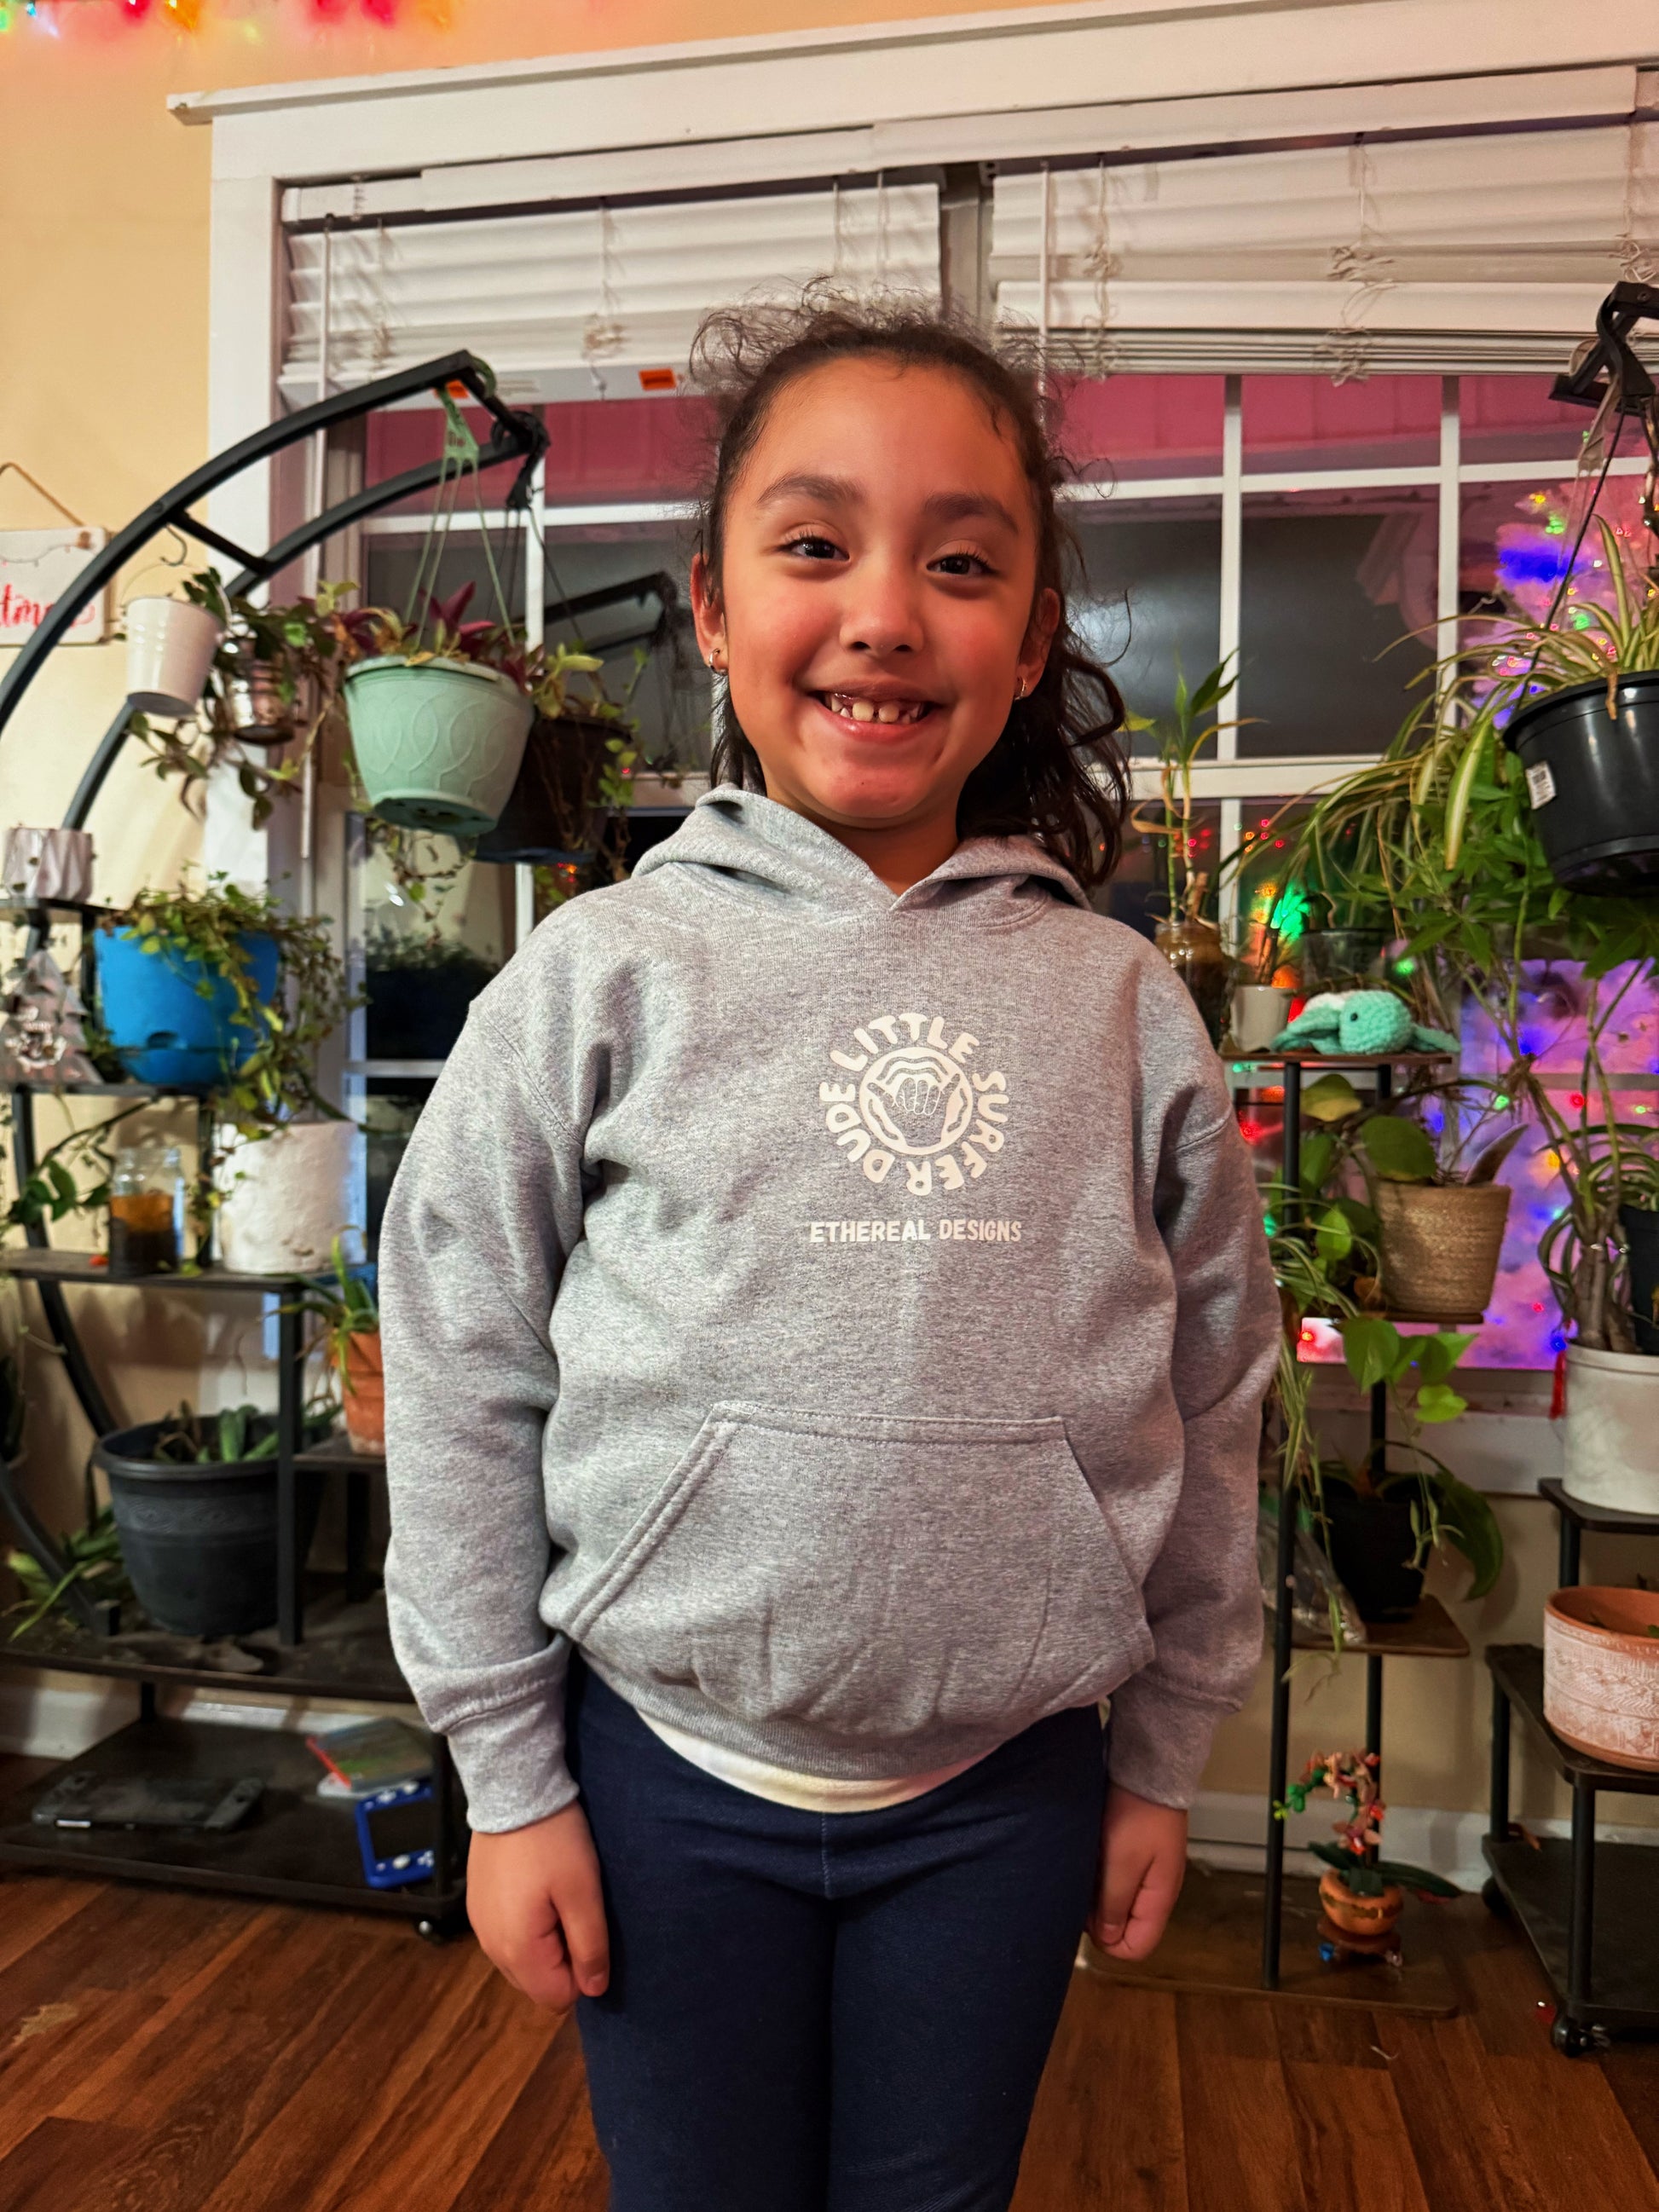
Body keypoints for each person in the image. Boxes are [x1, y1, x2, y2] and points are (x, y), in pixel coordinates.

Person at [379, 295, 1280, 2212]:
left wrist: (1160, 1755)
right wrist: (507, 1779)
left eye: (958, 563)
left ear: (1029, 637)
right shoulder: (600, 973)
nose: (883, 612)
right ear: (712, 610)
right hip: (656, 1781)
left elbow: (1217, 1390)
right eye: (814, 545)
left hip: (1005, 1800)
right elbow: (459, 1361)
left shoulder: (1123, 1005)